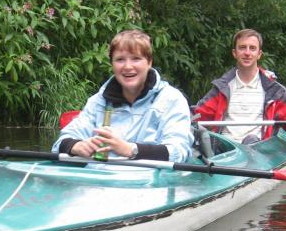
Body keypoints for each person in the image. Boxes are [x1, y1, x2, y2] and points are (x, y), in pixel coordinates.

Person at [52, 29, 193, 163]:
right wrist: (76, 146)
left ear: (149, 62)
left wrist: (130, 150)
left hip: (148, 178)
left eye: (136, 59)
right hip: (98, 176)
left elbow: (178, 151)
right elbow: (59, 144)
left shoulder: (171, 99)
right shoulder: (98, 102)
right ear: (112, 64)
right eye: (120, 60)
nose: (127, 66)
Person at [193, 28, 286, 144]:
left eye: (252, 48)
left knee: (250, 139)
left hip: (258, 150)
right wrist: (186, 115)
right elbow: (198, 115)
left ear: (259, 54)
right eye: (242, 48)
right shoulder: (222, 89)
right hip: (225, 150)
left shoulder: (275, 91)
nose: (247, 53)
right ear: (235, 53)